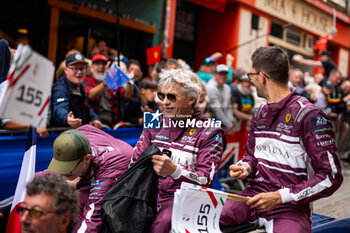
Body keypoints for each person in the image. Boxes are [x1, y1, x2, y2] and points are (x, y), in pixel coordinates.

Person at [220, 46, 343, 233]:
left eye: (251, 75)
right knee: (200, 217)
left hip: (290, 208)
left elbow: (330, 176)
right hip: (252, 197)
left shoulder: (310, 115)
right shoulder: (260, 112)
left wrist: (281, 196)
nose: (251, 80)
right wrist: (244, 167)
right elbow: (252, 156)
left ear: (262, 77)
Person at [131, 68, 226, 233]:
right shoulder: (154, 120)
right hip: (147, 193)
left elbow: (206, 180)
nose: (164, 102)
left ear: (191, 99)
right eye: (161, 96)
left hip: (182, 200)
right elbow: (134, 162)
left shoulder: (211, 131)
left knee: (160, 225)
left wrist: (175, 170)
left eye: (171, 97)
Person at [42, 125, 133, 233]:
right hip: (95, 170)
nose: (64, 173)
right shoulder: (76, 137)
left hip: (128, 188)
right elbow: (45, 176)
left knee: (77, 200)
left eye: (69, 170)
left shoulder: (109, 168)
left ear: (87, 158)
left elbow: (93, 217)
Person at [51, 53, 102, 129]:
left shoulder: (81, 85)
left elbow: (87, 107)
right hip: (65, 136)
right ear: (66, 70)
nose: (79, 72)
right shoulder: (60, 87)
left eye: (82, 69)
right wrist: (67, 119)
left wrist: (94, 119)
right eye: (75, 69)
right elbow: (59, 108)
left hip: (80, 134)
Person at [84, 54, 133, 128]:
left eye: (103, 64)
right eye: (97, 64)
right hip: (94, 124)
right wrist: (106, 81)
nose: (100, 67)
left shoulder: (112, 81)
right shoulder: (87, 80)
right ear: (91, 67)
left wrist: (129, 82)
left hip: (112, 126)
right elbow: (90, 96)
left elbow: (126, 97)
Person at [207, 64, 236, 135]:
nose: (223, 76)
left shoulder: (227, 87)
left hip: (223, 122)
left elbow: (228, 106)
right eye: (220, 74)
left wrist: (230, 120)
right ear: (215, 75)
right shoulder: (210, 87)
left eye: (225, 74)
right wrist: (229, 124)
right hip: (211, 121)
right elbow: (216, 109)